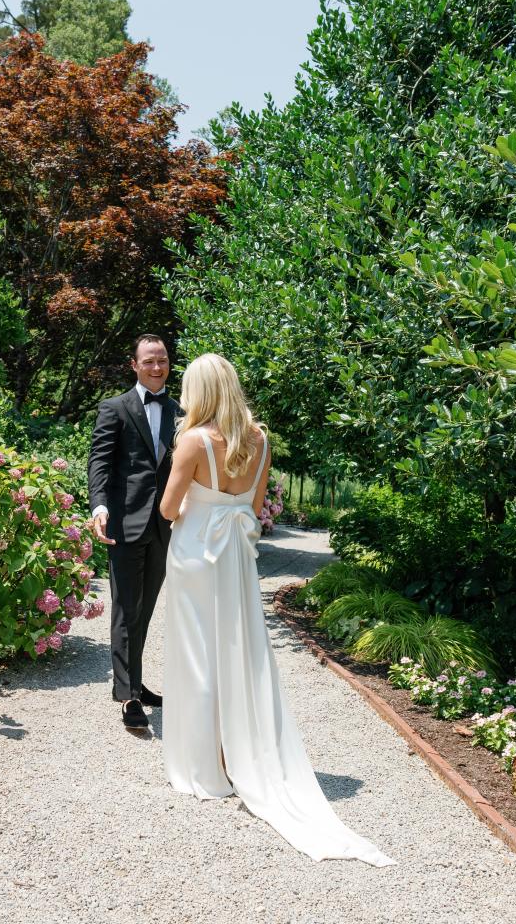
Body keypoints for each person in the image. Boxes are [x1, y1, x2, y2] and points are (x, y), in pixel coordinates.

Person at [158, 353, 393, 866]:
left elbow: (169, 508)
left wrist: (197, 503)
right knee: (239, 649)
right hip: (236, 554)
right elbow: (254, 507)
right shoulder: (259, 440)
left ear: (200, 391)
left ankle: (206, 767)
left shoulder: (194, 440)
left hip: (197, 552)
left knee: (199, 655)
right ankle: (238, 752)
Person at [88, 334, 181, 730]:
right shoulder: (114, 408)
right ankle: (128, 698)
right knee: (126, 608)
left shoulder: (181, 412)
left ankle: (133, 682)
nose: (157, 367)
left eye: (162, 360)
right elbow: (100, 462)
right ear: (134, 365)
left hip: (165, 525)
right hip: (125, 523)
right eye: (149, 361)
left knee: (143, 610)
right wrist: (99, 505)